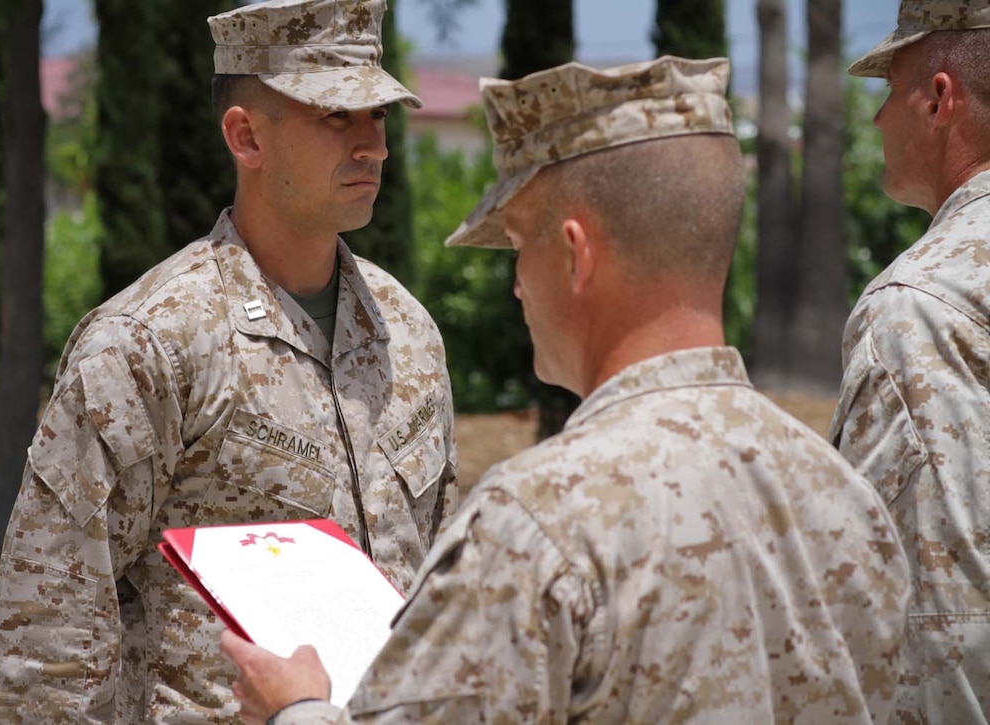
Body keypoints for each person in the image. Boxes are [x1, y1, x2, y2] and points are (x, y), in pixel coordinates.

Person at [218, 56, 912, 725]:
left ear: (577, 254)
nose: (518, 283)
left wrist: (296, 706)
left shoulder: (536, 522)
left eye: (520, 244)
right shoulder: (846, 498)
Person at [0, 1, 458, 721]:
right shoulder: (148, 343)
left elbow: (442, 592)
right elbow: (51, 644)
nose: (374, 146)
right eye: (338, 117)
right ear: (245, 137)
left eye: (380, 117)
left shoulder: (409, 334)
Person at [829, 1, 990, 721]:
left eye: (889, 90)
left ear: (938, 98)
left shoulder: (919, 304)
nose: (877, 121)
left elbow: (942, 627)